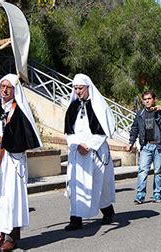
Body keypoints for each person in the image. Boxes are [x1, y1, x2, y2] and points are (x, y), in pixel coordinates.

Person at [0, 74, 42, 251]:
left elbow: (26, 139)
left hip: (11, 159)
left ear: (15, 90)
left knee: (9, 198)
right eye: (2, 86)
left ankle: (10, 236)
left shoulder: (19, 111)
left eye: (8, 87)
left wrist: (3, 139)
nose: (4, 90)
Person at [63, 74, 116, 231]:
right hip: (77, 154)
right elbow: (68, 131)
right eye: (75, 89)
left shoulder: (98, 106)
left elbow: (104, 130)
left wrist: (90, 145)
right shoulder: (72, 107)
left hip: (96, 152)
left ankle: (107, 211)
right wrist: (76, 144)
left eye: (80, 88)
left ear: (88, 88)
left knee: (99, 184)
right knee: (76, 185)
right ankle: (76, 219)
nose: (77, 91)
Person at [126, 91, 161, 204]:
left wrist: (158, 113)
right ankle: (140, 195)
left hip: (159, 145)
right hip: (146, 146)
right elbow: (135, 128)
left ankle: (157, 194)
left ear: (154, 99)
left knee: (158, 171)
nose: (147, 101)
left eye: (149, 98)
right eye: (145, 99)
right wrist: (131, 142)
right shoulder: (140, 114)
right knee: (143, 170)